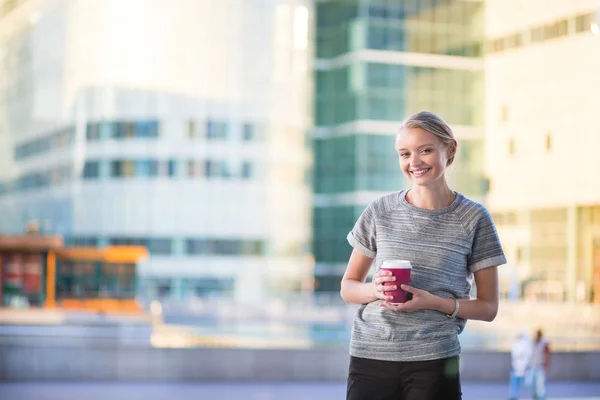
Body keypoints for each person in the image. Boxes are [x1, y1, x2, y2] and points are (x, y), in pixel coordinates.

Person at [340, 111, 507, 400]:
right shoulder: (380, 211)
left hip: (435, 361)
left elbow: (488, 307)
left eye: (425, 150)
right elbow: (348, 287)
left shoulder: (474, 219)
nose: (414, 162)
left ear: (450, 149)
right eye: (404, 154)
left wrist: (434, 303)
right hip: (371, 357)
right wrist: (374, 289)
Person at [509, 331, 532, 400]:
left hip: (521, 367)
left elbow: (527, 356)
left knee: (524, 383)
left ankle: (514, 396)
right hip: (518, 367)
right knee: (516, 383)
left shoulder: (523, 344)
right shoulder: (522, 344)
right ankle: (514, 396)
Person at [529, 329, 551, 399]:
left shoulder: (544, 343)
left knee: (540, 385)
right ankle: (536, 396)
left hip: (540, 366)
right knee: (533, 384)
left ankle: (541, 397)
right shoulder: (533, 342)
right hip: (533, 366)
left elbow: (547, 355)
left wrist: (546, 365)